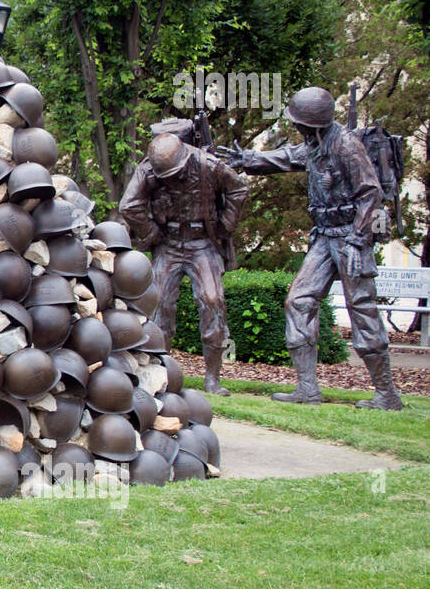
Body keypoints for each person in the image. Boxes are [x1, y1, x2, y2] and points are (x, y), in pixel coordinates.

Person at [218, 86, 402, 410]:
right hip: (324, 236)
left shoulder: (345, 145)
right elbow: (287, 157)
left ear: (315, 124)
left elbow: (370, 194)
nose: (296, 128)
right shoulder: (314, 145)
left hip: (351, 237)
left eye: (300, 123)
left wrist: (360, 241)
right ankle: (307, 389)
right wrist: (247, 159)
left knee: (362, 308)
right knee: (299, 301)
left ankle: (387, 395)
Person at [120, 123, 248, 395]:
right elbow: (129, 206)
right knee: (158, 305)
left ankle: (213, 378)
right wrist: (151, 232)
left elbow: (239, 189)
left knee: (213, 301)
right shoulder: (149, 169)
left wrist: (227, 224)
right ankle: (159, 375)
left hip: (203, 243)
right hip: (168, 244)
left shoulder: (208, 165)